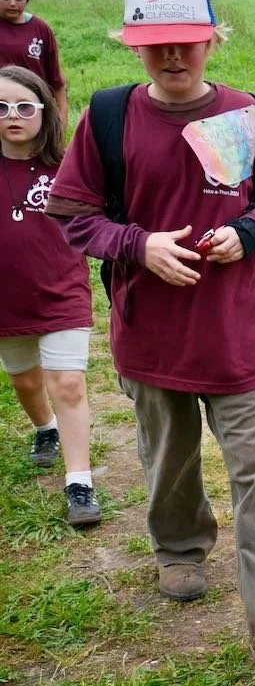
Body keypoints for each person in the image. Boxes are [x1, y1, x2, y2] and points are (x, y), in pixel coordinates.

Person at [44, 0, 255, 684]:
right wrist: (140, 245)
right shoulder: (106, 118)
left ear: (211, 38)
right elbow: (75, 218)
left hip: (239, 339)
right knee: (169, 461)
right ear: (134, 45)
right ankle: (180, 547)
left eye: (187, 41)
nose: (172, 57)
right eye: (156, 43)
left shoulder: (254, 116)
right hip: (151, 339)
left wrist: (250, 231)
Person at [0, 64, 98, 527]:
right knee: (24, 382)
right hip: (6, 301)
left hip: (62, 291)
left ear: (44, 111)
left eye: (23, 106)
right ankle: (45, 428)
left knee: (69, 383)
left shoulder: (67, 167)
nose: (12, 115)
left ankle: (80, 482)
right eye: (1, 107)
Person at [0, 0, 66, 124]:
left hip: (32, 109)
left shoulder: (40, 28)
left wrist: (60, 124)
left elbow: (56, 80)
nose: (12, 3)